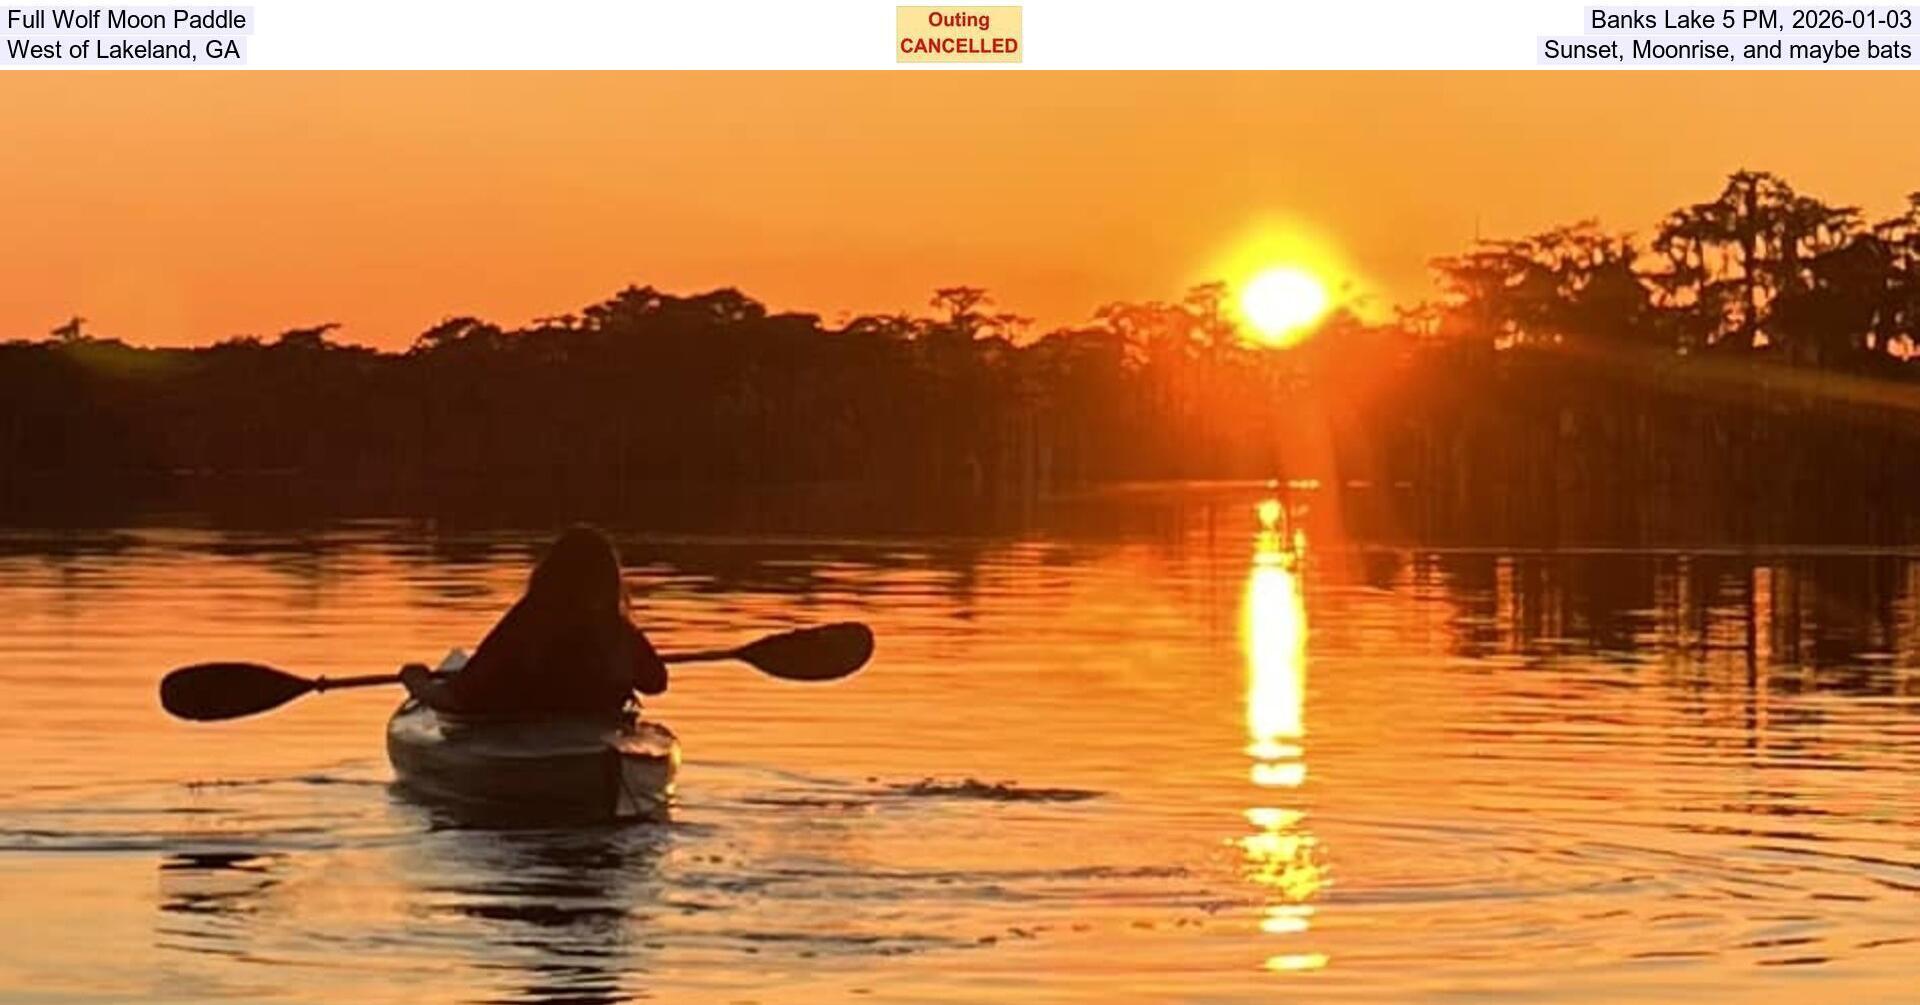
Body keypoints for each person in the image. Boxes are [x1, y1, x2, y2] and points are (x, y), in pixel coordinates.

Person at [399, 525, 667, 717]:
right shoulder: (617, 630)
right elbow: (655, 681)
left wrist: (418, 684)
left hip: (529, 733)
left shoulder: (529, 621)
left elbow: (461, 695)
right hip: (592, 735)